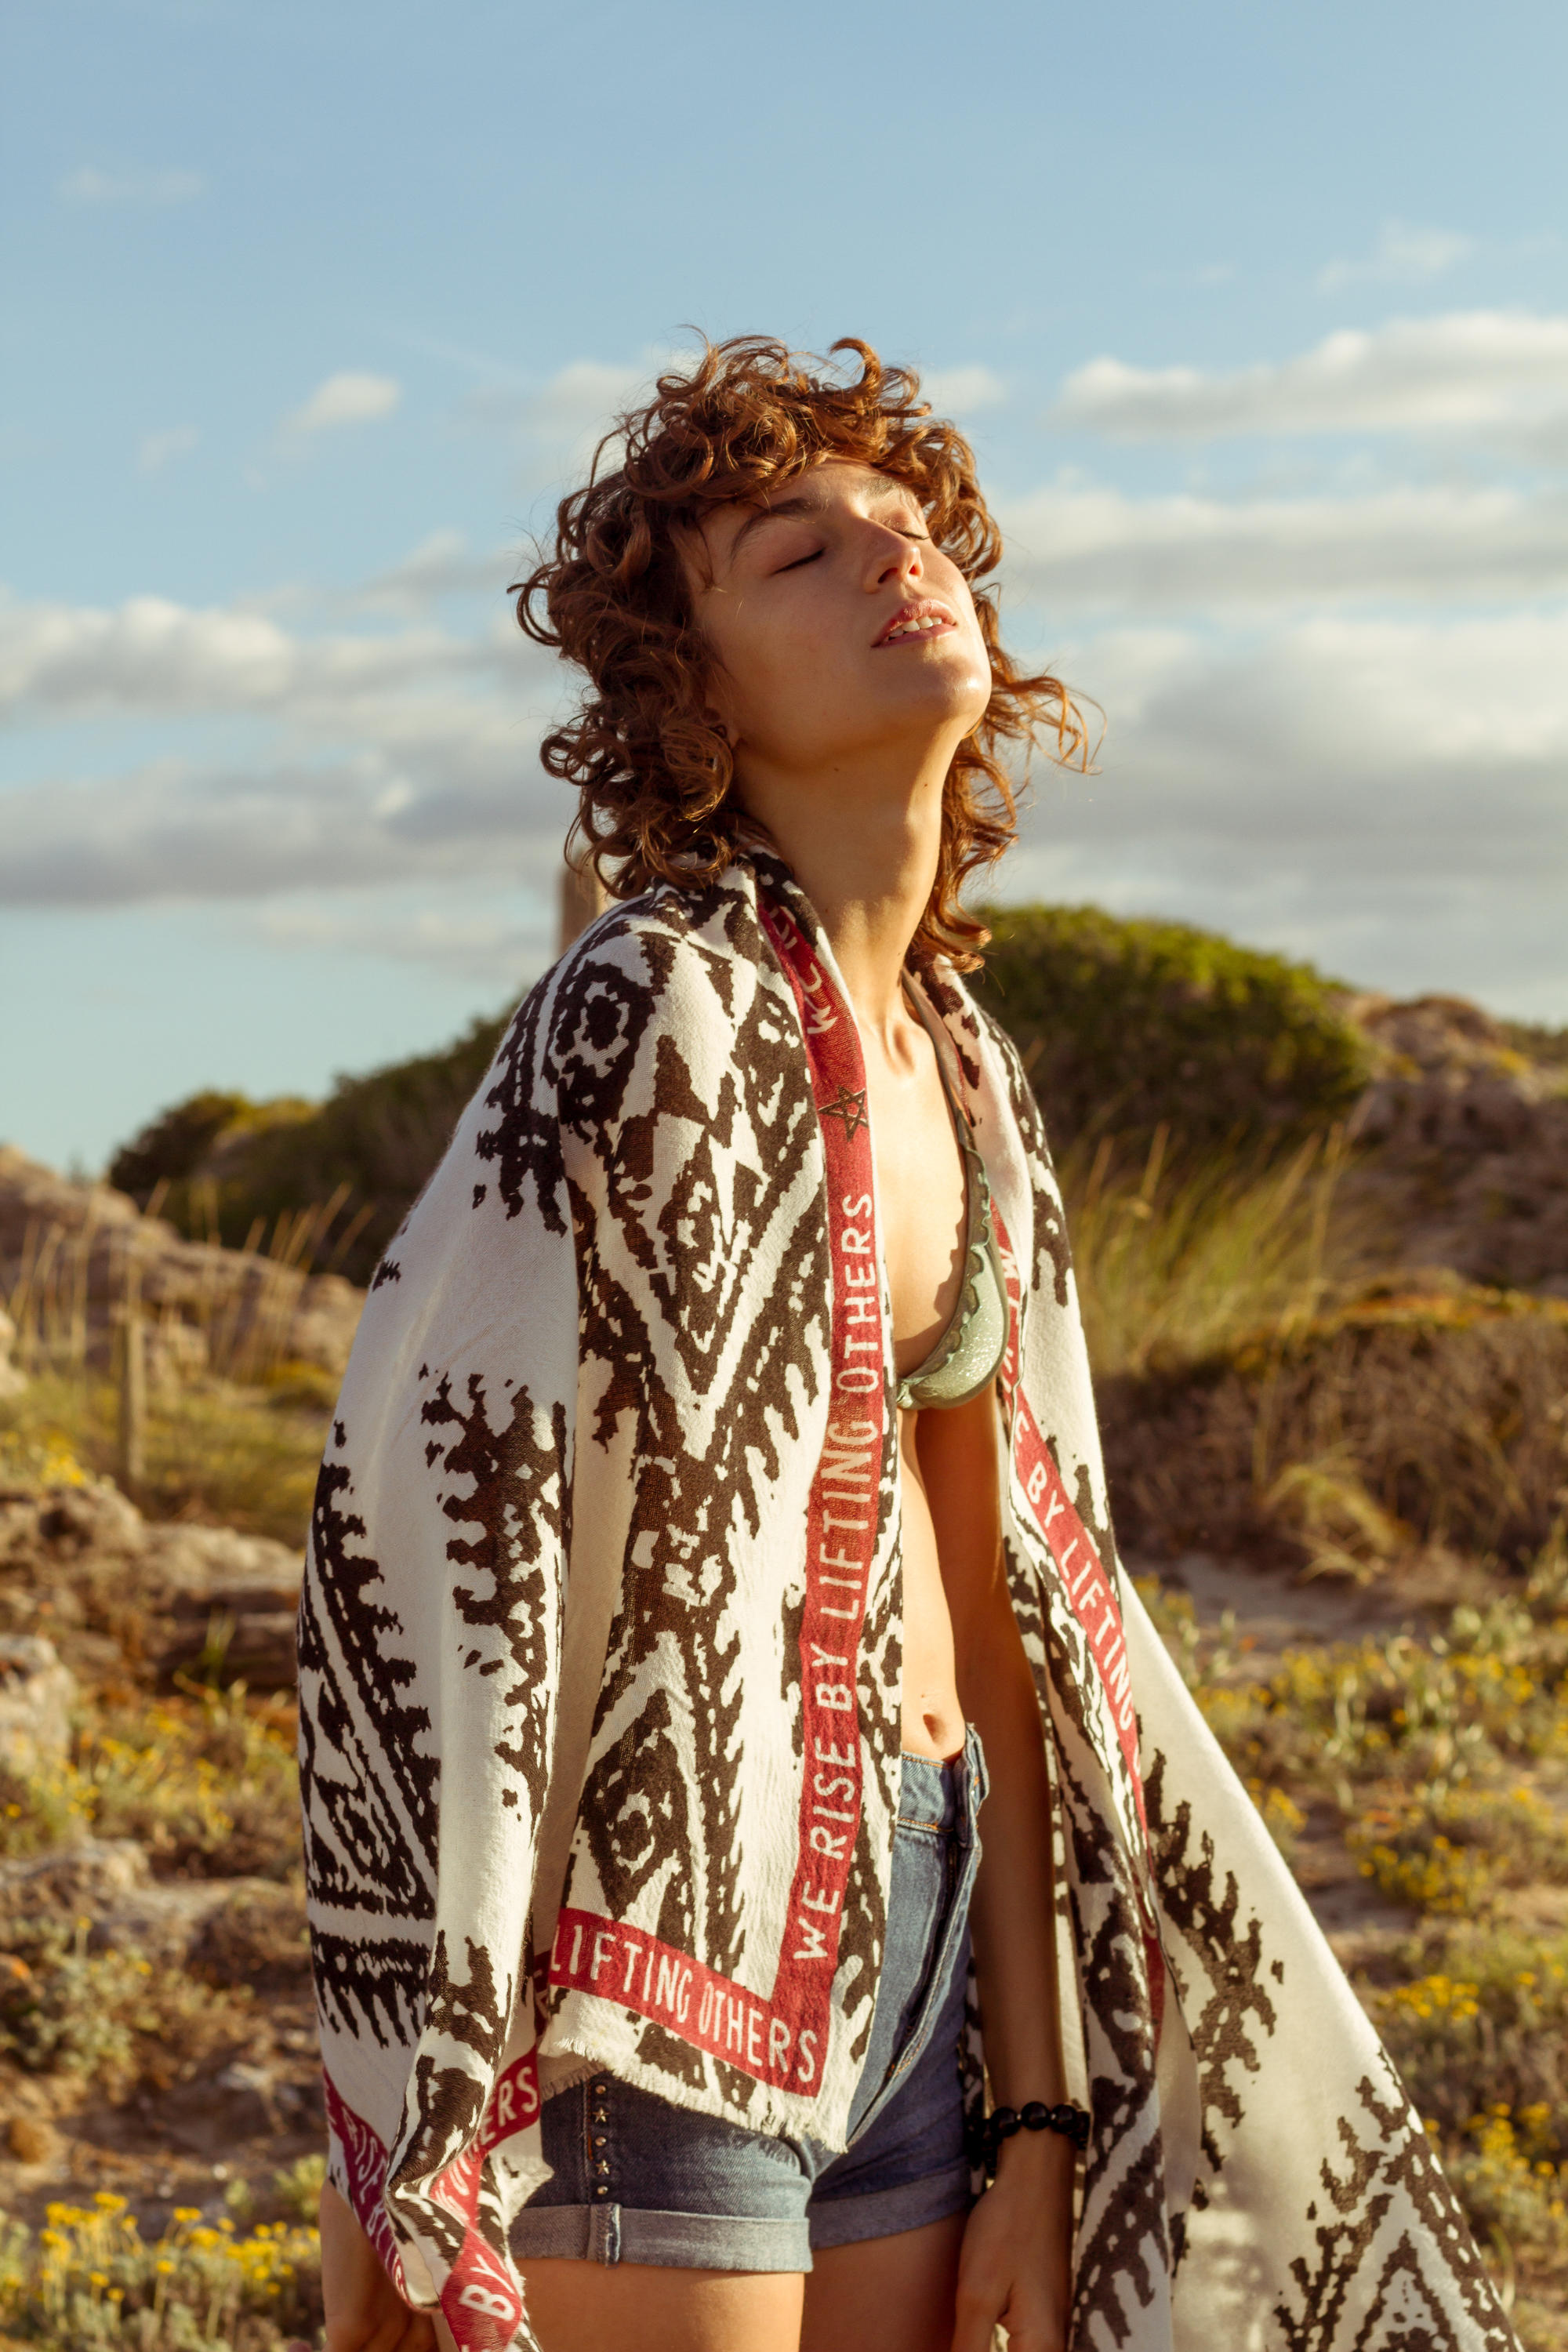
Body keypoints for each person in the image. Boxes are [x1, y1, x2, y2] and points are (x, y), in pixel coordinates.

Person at [300, 339, 1516, 2352]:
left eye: (909, 526)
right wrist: (402, 2100)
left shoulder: (970, 1075)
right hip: (657, 1952)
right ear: (692, 698)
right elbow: (432, 1523)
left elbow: (1009, 1605)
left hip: (931, 1922)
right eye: (799, 552)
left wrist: (1035, 2118)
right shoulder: (646, 1011)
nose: (893, 559)